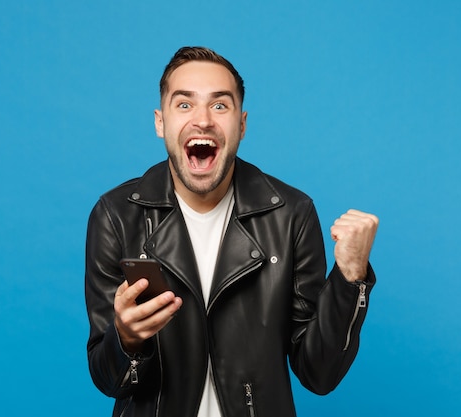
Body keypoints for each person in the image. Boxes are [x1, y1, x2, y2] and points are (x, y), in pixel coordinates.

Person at [85, 46, 379, 417]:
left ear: (241, 124)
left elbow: (319, 373)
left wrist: (351, 277)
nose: (203, 120)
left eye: (220, 106)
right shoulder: (115, 216)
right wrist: (126, 339)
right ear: (161, 122)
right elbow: (106, 378)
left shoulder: (292, 214)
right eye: (185, 105)